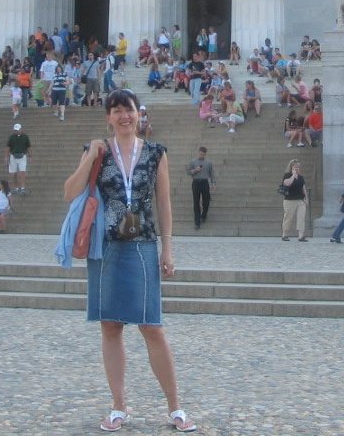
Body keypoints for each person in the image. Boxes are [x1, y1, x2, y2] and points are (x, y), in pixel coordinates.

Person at [62, 89, 196, 433]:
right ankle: (118, 406)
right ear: (108, 116)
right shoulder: (98, 151)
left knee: (152, 326)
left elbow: (163, 204)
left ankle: (175, 406)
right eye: (117, 110)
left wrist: (168, 248)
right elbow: (69, 192)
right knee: (110, 326)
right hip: (105, 246)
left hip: (143, 243)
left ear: (140, 114)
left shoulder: (155, 153)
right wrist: (89, 158)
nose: (124, 116)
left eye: (129, 110)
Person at [186, 147, 216, 230]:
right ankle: (197, 222)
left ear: (205, 154)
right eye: (200, 153)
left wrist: (213, 183)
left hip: (204, 182)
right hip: (196, 182)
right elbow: (188, 172)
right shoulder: (193, 162)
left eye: (203, 154)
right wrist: (195, 170)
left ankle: (204, 215)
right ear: (198, 152)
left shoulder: (208, 163)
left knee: (206, 201)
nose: (201, 155)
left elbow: (212, 173)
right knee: (196, 202)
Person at [280, 159, 308, 241]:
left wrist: (306, 198)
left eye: (298, 167)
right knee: (288, 217)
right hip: (289, 200)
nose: (297, 169)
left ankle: (300, 235)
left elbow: (303, 188)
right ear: (291, 167)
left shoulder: (301, 177)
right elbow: (287, 183)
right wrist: (293, 175)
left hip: (300, 200)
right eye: (295, 167)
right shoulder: (287, 175)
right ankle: (285, 234)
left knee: (301, 217)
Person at [5, 123, 31, 195]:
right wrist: (6, 156)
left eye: (17, 130)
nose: (16, 131)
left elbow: (28, 147)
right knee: (14, 173)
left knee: (23, 172)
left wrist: (30, 156)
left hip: (22, 156)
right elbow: (8, 147)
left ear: (20, 129)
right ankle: (16, 188)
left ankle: (23, 188)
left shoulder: (25, 137)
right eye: (15, 130)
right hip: (13, 156)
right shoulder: (12, 137)